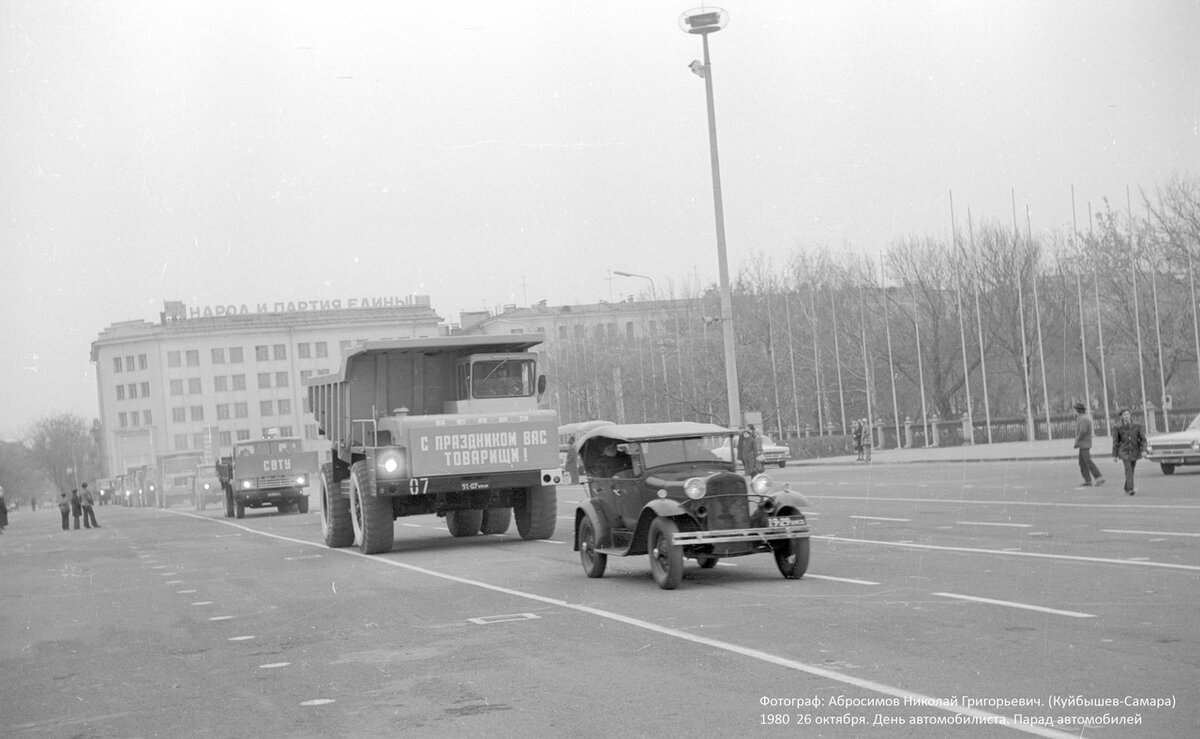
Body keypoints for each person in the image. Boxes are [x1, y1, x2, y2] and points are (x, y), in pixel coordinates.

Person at [1111, 408, 1147, 496]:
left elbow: (1143, 439)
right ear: (1121, 417)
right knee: (1128, 468)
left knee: (1132, 468)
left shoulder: (1137, 425)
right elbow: (1115, 441)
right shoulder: (1117, 427)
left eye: (1128, 414)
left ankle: (1127, 487)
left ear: (1130, 415)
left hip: (1134, 450)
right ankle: (1130, 489)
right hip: (1124, 451)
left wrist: (1144, 450)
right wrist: (1114, 455)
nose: (1126, 416)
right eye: (1124, 415)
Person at [1072, 402, 1104, 487]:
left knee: (1087, 461)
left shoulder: (1083, 419)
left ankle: (1099, 478)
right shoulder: (1081, 418)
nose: (1073, 412)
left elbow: (1083, 431)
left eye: (1074, 410)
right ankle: (1088, 480)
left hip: (1084, 444)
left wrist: (1077, 440)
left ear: (1077, 410)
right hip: (1083, 444)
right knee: (1082, 463)